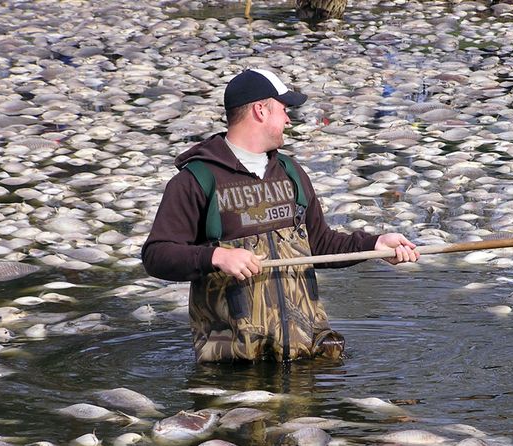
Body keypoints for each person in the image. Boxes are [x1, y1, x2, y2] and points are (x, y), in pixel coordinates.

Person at [142, 68, 418, 363]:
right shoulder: (195, 180)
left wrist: (375, 246)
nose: (288, 119)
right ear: (260, 110)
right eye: (284, 110)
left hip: (307, 354)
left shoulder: (291, 173)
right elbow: (156, 255)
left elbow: (320, 244)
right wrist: (216, 257)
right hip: (234, 368)